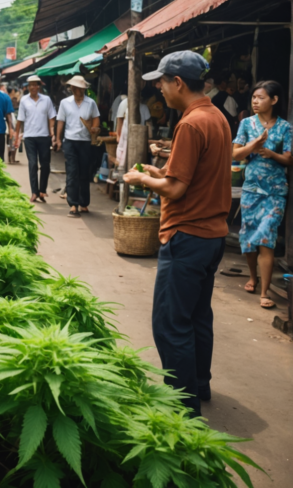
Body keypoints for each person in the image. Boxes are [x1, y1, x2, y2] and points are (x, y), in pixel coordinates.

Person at [122, 51, 230, 417]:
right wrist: (158, 172)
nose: (159, 89)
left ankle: (182, 410)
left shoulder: (189, 123)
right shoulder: (216, 117)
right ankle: (199, 384)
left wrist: (141, 179)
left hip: (187, 234)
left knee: (171, 323)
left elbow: (176, 190)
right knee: (198, 315)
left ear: (179, 83)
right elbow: (186, 175)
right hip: (212, 236)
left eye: (163, 82)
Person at [231, 80, 290, 309]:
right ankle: (253, 277)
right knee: (248, 237)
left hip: (275, 190)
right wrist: (254, 144)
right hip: (252, 189)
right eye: (254, 97)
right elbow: (236, 154)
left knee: (266, 236)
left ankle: (264, 291)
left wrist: (270, 153)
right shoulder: (246, 124)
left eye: (261, 97)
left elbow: (289, 159)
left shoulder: (286, 127)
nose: (255, 101)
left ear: (274, 100)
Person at [55, 76, 100, 216]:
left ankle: (84, 203)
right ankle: (73, 205)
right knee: (72, 172)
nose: (78, 90)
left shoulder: (91, 103)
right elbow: (60, 121)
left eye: (80, 88)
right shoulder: (65, 103)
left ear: (83, 89)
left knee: (84, 173)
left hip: (85, 142)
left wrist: (94, 128)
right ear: (72, 88)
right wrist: (58, 139)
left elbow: (96, 118)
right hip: (70, 141)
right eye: (76, 88)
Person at [16, 76, 56, 202]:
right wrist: (17, 136)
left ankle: (42, 191)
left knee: (45, 164)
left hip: (44, 136)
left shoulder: (46, 100)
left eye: (36, 84)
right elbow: (20, 119)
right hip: (29, 137)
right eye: (31, 85)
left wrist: (52, 131)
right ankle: (34, 192)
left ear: (39, 86)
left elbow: (52, 116)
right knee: (33, 164)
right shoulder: (24, 100)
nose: (33, 87)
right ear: (28, 87)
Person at [7, 85, 22, 164]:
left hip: (13, 121)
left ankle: (12, 158)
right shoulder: (11, 99)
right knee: (13, 140)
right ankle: (11, 158)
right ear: (12, 91)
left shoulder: (9, 98)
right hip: (13, 121)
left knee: (13, 140)